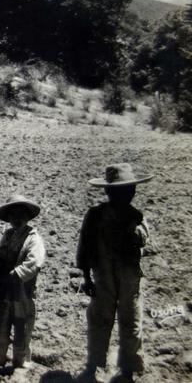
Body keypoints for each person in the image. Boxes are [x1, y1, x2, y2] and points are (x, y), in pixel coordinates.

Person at [76, 163, 153, 383]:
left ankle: (128, 368)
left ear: (134, 192)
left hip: (129, 276)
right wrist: (86, 276)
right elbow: (85, 245)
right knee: (100, 317)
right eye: (119, 191)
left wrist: (133, 231)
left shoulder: (136, 217)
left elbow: (144, 241)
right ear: (108, 192)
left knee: (131, 318)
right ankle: (94, 364)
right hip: (103, 274)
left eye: (129, 190)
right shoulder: (95, 215)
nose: (125, 195)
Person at [0, 195, 46, 370]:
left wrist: (14, 274)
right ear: (8, 218)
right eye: (13, 215)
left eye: (21, 215)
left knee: (22, 328)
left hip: (21, 291)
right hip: (3, 291)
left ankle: (20, 365)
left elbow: (35, 262)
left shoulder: (33, 238)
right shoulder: (8, 235)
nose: (17, 219)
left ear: (27, 217)